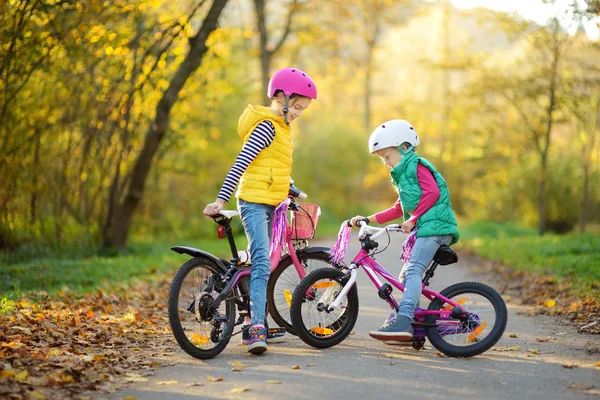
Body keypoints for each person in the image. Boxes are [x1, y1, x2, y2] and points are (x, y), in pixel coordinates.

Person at [203, 68, 317, 354]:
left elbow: (272, 166)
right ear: (282, 97)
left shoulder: (283, 129)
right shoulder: (266, 126)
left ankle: (252, 318)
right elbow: (242, 163)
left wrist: (289, 186)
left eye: (304, 109)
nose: (300, 113)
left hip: (272, 202)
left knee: (264, 261)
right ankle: (256, 329)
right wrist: (221, 199)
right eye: (299, 107)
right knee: (263, 263)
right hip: (253, 202)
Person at [350, 119, 459, 342]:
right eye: (382, 159)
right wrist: (367, 219)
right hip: (428, 226)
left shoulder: (417, 165)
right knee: (406, 274)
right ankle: (415, 323)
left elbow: (432, 194)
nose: (385, 163)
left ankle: (404, 320)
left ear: (404, 148)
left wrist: (413, 219)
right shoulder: (403, 175)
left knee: (412, 271)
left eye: (387, 157)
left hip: (435, 226)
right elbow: (399, 207)